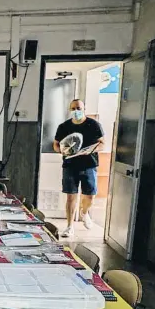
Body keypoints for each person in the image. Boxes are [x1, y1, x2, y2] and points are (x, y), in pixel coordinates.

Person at [53, 99, 104, 238]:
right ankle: (70, 226)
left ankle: (84, 213)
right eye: (73, 108)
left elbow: (102, 143)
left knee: (90, 195)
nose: (76, 111)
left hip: (90, 165)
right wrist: (61, 151)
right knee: (71, 196)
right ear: (70, 110)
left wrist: (92, 150)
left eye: (79, 108)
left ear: (84, 108)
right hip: (70, 165)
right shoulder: (64, 127)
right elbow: (56, 144)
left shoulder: (94, 125)